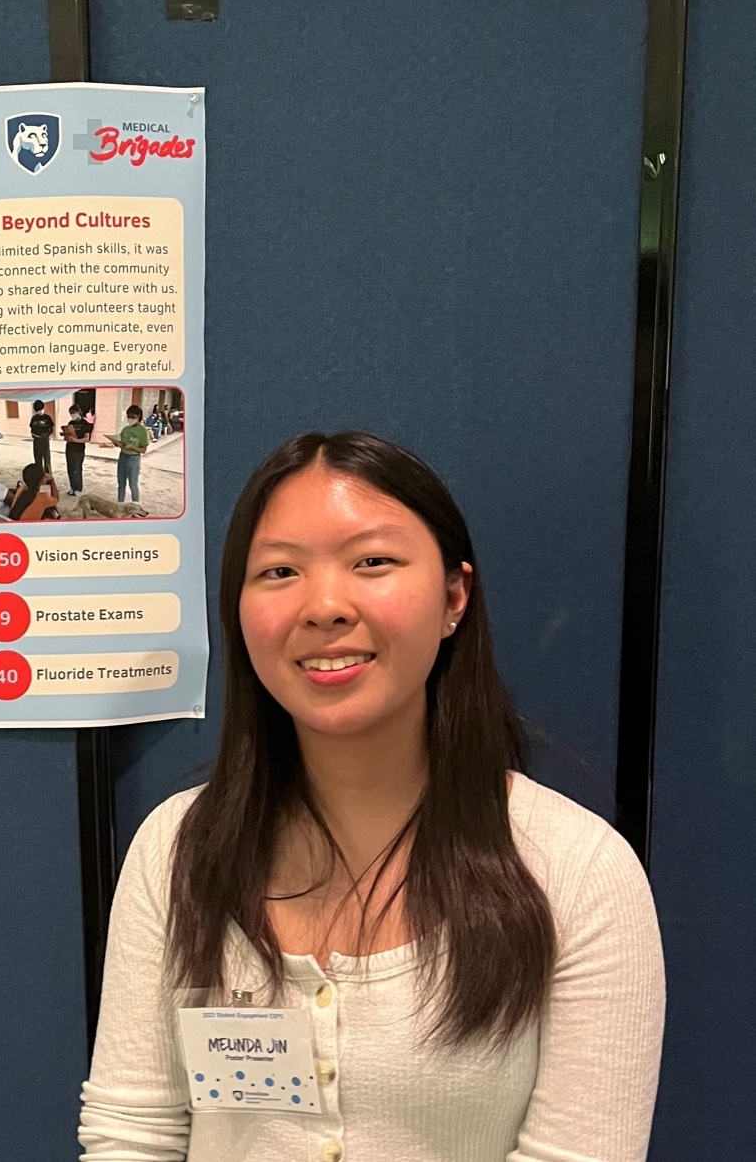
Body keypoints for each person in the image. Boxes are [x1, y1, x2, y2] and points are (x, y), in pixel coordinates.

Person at [78, 431, 664, 1162]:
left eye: (372, 562)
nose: (323, 606)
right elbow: (131, 1135)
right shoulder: (176, 851)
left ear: (453, 596)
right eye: (280, 571)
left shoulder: (576, 873)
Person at [108, 403, 149, 503]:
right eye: (128, 417)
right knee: (121, 483)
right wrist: (116, 442)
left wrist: (132, 447)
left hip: (133, 459)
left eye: (132, 417)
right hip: (122, 457)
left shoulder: (143, 431)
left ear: (138, 416)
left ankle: (136, 507)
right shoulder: (125, 429)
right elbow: (121, 443)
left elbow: (143, 450)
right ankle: (120, 505)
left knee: (133, 484)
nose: (130, 419)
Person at [61, 403, 91, 496]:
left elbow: (87, 438)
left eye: (73, 413)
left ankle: (78, 488)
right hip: (69, 448)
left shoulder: (85, 424)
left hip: (79, 450)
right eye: (71, 413)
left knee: (77, 469)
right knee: (70, 469)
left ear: (78, 412)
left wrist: (76, 440)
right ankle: (72, 487)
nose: (72, 415)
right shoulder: (71, 423)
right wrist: (66, 436)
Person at [29, 400, 55, 475]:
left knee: (47, 459)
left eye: (40, 409)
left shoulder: (47, 418)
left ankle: (48, 476)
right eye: (38, 410)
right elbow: (32, 432)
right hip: (37, 441)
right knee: (38, 460)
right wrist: (37, 436)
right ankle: (39, 476)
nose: (40, 411)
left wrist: (47, 435)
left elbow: (51, 430)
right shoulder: (34, 418)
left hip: (45, 441)